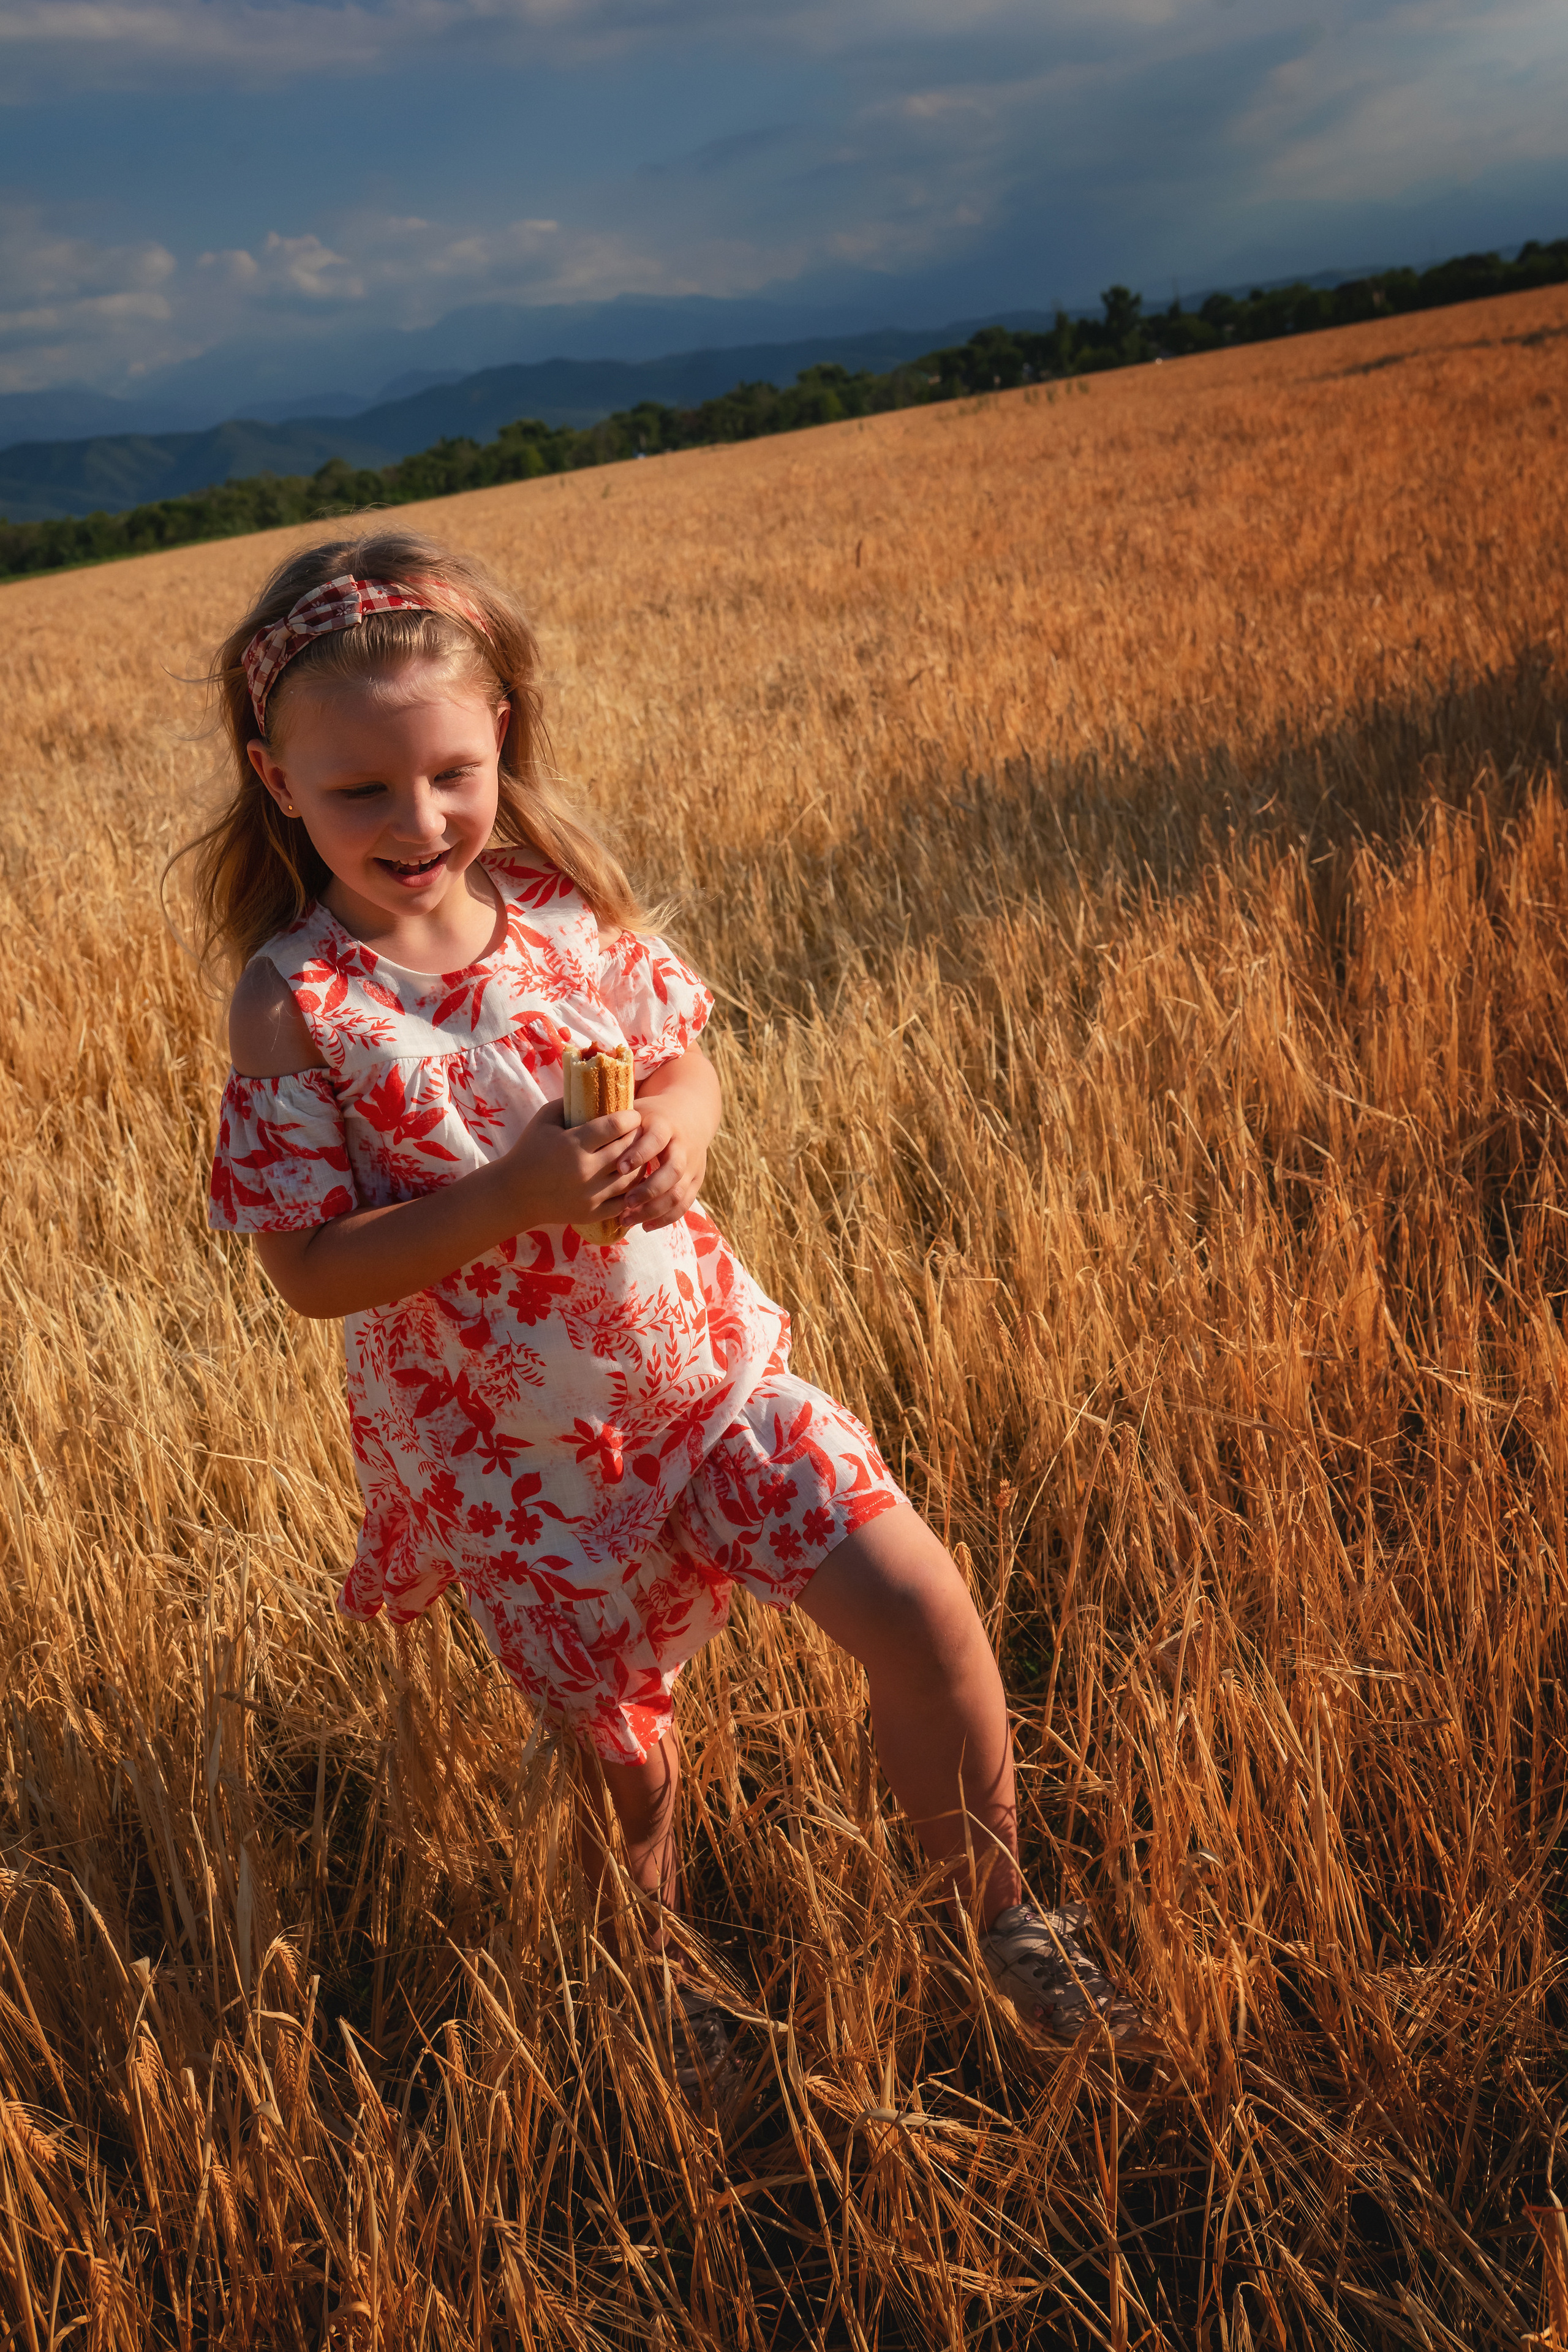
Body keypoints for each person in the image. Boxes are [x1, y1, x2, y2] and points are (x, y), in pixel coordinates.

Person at [192, 529, 1147, 2109]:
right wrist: (507, 1196)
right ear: (276, 778)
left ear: (503, 738)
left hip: (705, 1375)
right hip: (521, 1464)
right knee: (627, 1773)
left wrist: (685, 1126)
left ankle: (1000, 1918)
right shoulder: (300, 1001)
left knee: (925, 1613)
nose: (416, 822)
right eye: (360, 791)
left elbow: (684, 1056)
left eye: (449, 771)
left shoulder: (566, 914)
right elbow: (308, 1268)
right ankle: (675, 1990)